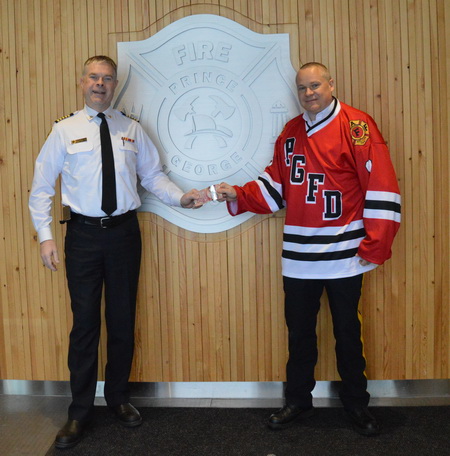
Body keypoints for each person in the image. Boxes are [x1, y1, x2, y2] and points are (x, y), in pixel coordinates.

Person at [216, 62, 401, 436]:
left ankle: (356, 405)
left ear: (332, 84)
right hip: (299, 259)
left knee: (348, 334)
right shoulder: (290, 132)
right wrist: (239, 193)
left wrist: (375, 243)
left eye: (315, 85)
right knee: (299, 335)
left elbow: (382, 185)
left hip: (346, 256)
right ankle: (298, 401)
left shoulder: (357, 126)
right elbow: (275, 187)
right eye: (302, 88)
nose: (309, 93)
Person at [29, 55, 202, 449]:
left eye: (107, 78)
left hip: (125, 235)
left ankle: (119, 399)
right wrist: (45, 236)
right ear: (82, 81)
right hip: (83, 237)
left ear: (115, 83)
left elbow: (153, 176)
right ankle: (79, 412)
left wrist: (181, 198)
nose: (100, 84)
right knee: (85, 324)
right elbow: (41, 188)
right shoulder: (63, 130)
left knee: (122, 321)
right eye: (94, 77)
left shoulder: (132, 130)